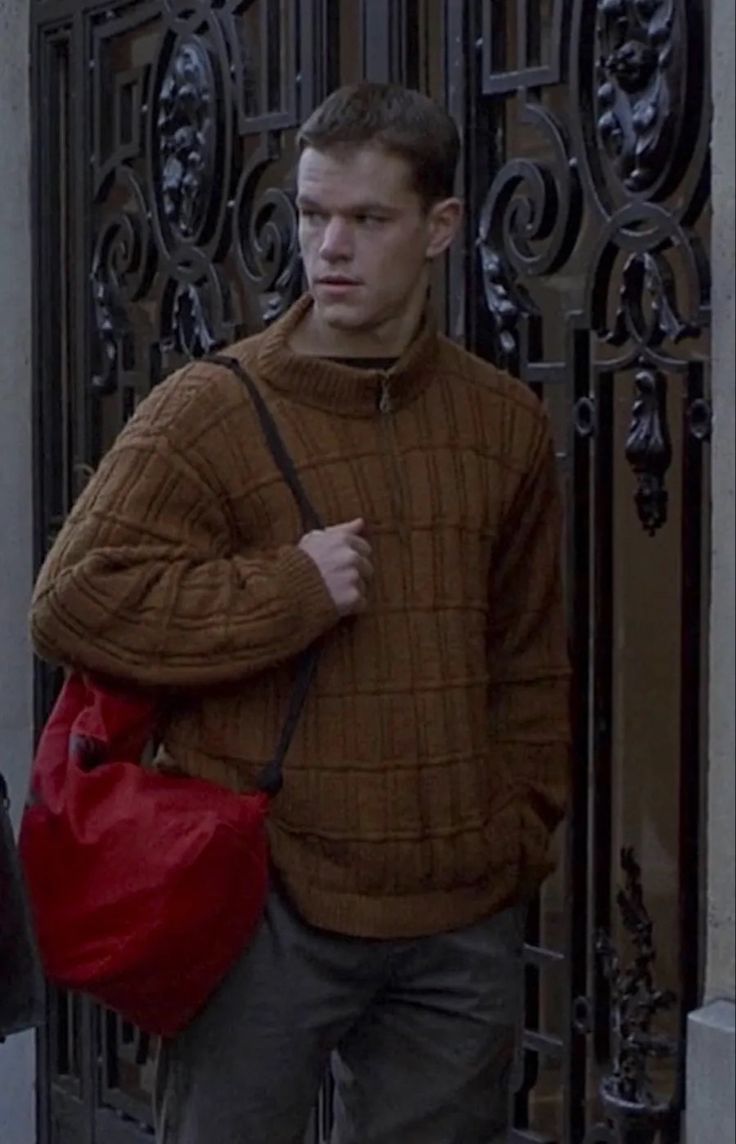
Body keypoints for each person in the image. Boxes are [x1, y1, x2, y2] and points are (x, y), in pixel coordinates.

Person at [29, 82, 571, 1144]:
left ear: (441, 227)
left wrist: (518, 827)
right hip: (268, 900)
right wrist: (286, 590)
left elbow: (528, 650)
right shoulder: (210, 409)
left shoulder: (500, 422)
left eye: (367, 219)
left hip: (455, 908)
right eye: (315, 213)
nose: (331, 245)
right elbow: (72, 605)